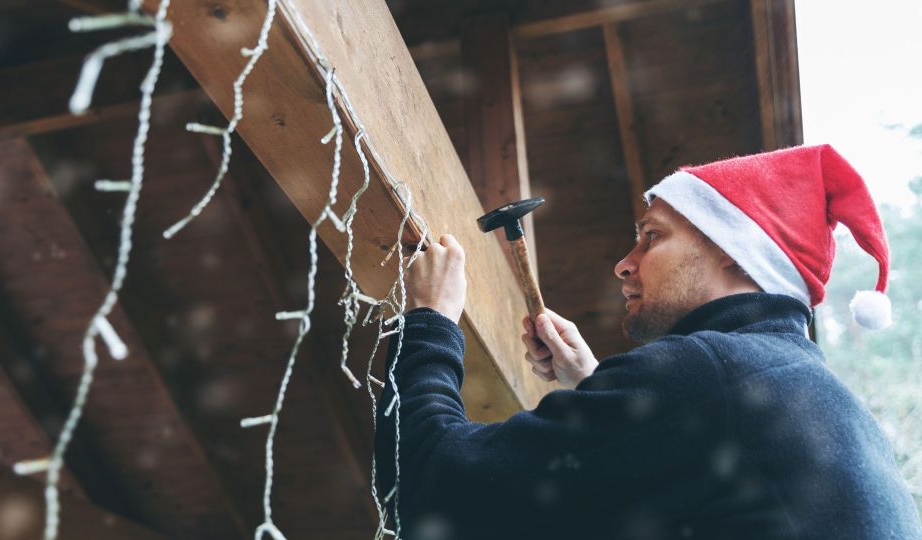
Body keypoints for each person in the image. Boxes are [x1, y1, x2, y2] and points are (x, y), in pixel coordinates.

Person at [373, 144, 922, 540]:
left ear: (735, 252)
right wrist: (595, 388)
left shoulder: (704, 375)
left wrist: (431, 320)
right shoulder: (806, 391)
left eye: (651, 237)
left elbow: (428, 489)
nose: (623, 265)